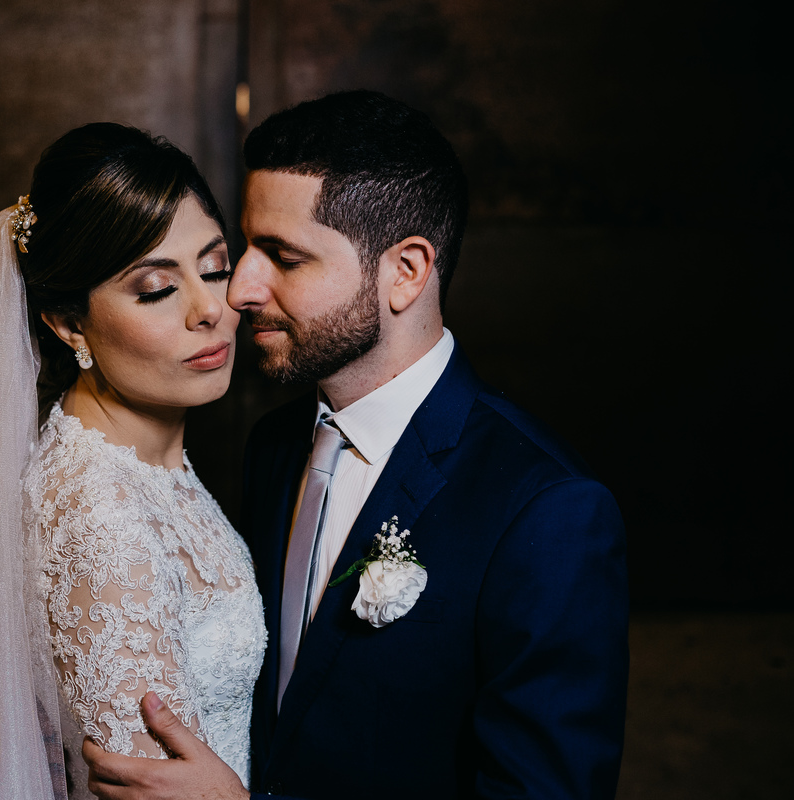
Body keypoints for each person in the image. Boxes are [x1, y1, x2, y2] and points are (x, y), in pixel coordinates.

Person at [83, 91, 628, 799]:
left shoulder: (549, 513)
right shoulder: (275, 445)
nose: (239, 289)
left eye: (284, 256)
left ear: (406, 271)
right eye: (247, 247)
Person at [0, 123, 266, 800]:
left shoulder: (143, 465)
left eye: (214, 267)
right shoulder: (100, 513)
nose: (211, 308)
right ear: (69, 325)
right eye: (157, 288)